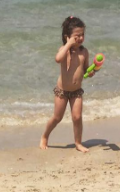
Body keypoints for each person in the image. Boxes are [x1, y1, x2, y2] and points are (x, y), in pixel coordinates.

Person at [40, 16, 96, 152]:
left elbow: (85, 69)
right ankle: (45, 136)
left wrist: (90, 72)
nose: (81, 38)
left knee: (77, 117)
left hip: (76, 91)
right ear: (67, 37)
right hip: (62, 91)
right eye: (77, 36)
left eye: (82, 35)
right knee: (57, 117)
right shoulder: (64, 51)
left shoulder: (84, 52)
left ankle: (78, 143)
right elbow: (57, 59)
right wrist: (68, 45)